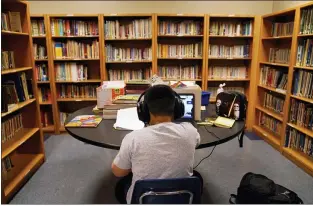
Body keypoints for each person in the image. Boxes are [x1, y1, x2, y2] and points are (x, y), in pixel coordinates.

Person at [111, 84, 202, 204]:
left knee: (121, 185)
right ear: (177, 109)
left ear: (143, 111)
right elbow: (196, 143)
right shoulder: (191, 132)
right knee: (197, 177)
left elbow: (118, 172)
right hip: (182, 198)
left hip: (144, 198)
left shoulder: (133, 138)